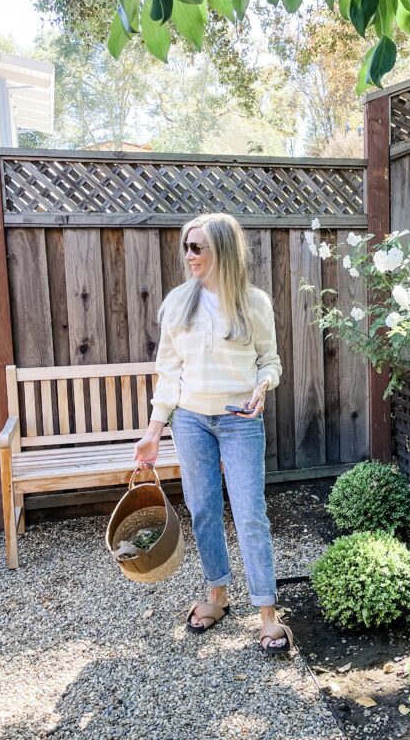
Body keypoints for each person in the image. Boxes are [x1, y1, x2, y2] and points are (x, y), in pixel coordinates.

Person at [133, 213, 290, 654]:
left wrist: (263, 387)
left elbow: (270, 361)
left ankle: (266, 611)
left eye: (197, 247)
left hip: (240, 421)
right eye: (186, 246)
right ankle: (217, 596)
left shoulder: (254, 303)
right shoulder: (178, 303)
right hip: (190, 420)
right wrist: (153, 431)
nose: (189, 255)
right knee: (202, 510)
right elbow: (168, 372)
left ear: (222, 249)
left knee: (249, 512)